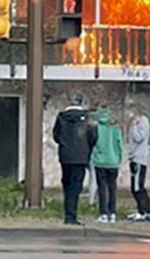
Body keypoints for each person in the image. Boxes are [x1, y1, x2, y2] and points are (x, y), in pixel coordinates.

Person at [52, 95, 97, 225]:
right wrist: (86, 148)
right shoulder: (87, 118)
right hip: (81, 156)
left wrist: (64, 144)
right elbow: (93, 136)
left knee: (66, 184)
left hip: (65, 155)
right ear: (81, 102)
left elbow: (56, 136)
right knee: (76, 186)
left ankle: (68, 214)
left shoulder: (61, 117)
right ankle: (72, 215)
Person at [91, 104, 124, 223]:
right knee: (112, 188)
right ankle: (113, 213)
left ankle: (103, 213)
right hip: (113, 161)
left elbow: (94, 143)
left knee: (102, 188)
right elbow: (120, 144)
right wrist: (119, 158)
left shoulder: (97, 127)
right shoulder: (115, 127)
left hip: (100, 161)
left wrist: (92, 157)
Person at [126, 103, 150, 222]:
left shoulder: (143, 122)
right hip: (134, 157)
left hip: (139, 159)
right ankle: (146, 210)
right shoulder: (137, 123)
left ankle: (143, 211)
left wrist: (134, 126)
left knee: (137, 187)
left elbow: (138, 137)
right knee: (137, 186)